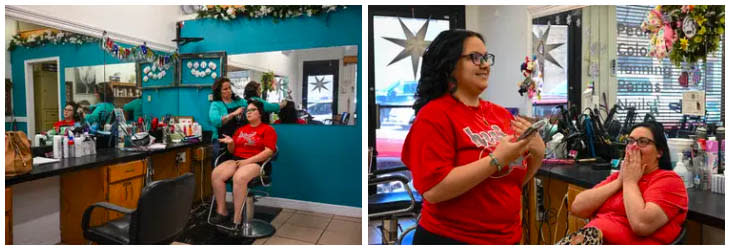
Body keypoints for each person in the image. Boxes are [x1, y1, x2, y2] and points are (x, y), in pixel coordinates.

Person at [400, 29, 545, 244]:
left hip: (508, 237)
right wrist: (495, 160)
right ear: (450, 65)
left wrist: (538, 153)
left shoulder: (501, 114)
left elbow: (513, 181)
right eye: (475, 58)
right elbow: (432, 191)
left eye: (486, 58)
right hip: (452, 238)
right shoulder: (433, 116)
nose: (485, 64)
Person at [563, 122, 688, 245]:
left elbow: (641, 225)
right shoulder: (620, 177)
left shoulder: (669, 181)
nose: (634, 147)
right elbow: (578, 208)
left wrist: (629, 182)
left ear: (659, 152)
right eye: (630, 141)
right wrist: (619, 181)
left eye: (643, 142)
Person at [210, 100, 277, 226]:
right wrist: (231, 143)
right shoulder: (240, 130)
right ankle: (222, 211)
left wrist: (247, 161)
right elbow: (232, 151)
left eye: (252, 110)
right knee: (216, 174)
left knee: (239, 177)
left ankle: (237, 218)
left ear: (260, 113)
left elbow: (269, 152)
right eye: (248, 110)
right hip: (237, 160)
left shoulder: (268, 129)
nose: (248, 112)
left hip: (257, 163)